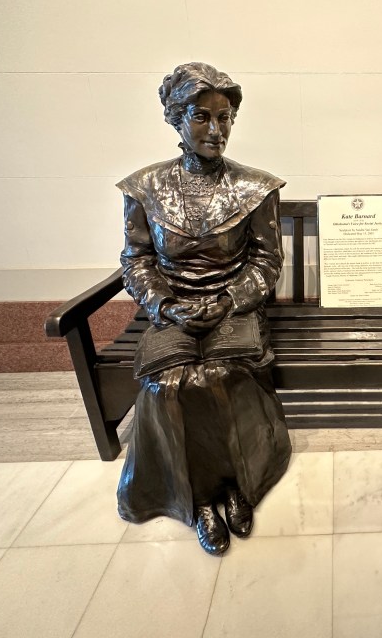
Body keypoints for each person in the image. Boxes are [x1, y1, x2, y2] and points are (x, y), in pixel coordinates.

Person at [114, 62, 291, 555]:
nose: (217, 130)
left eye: (225, 117)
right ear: (176, 119)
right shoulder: (144, 187)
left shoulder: (254, 187)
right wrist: (165, 306)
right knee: (166, 383)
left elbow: (266, 261)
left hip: (234, 308)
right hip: (172, 309)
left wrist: (231, 300)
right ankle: (194, 501)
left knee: (220, 375)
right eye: (201, 117)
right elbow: (137, 260)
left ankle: (239, 485)